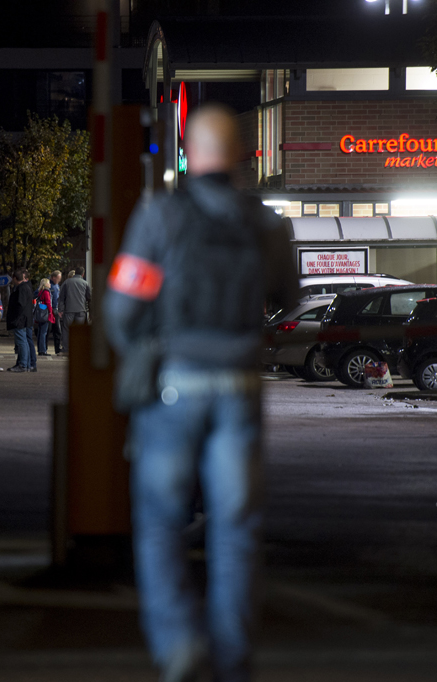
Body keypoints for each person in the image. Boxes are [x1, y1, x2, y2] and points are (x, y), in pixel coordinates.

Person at [104, 103, 297, 682]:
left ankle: (180, 644)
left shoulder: (159, 216)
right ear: (243, 157)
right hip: (240, 388)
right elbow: (288, 297)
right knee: (236, 527)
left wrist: (143, 350)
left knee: (161, 519)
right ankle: (234, 660)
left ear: (189, 154)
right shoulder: (267, 223)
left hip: (174, 387)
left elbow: (122, 307)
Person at [5, 268, 35, 372]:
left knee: (21, 342)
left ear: (14, 278)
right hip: (25, 319)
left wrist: (14, 316)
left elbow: (19, 304)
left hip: (19, 319)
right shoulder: (27, 287)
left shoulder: (20, 288)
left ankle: (22, 364)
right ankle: (24, 364)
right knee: (24, 342)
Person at [58, 267, 91, 352]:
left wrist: (61, 310)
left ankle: (66, 349)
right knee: (79, 331)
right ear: (82, 274)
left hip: (69, 310)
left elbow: (62, 298)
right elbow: (89, 299)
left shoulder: (66, 282)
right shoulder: (85, 283)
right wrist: (90, 312)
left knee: (66, 330)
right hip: (81, 311)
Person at [34, 278, 54, 356]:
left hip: (40, 313)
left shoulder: (40, 292)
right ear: (45, 284)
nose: (50, 284)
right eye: (48, 283)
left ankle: (40, 349)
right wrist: (50, 312)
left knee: (40, 332)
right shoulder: (46, 292)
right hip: (45, 313)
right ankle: (43, 350)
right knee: (43, 332)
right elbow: (48, 303)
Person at [49, 270, 64, 354]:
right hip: (51, 309)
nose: (59, 280)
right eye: (58, 278)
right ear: (53, 277)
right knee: (48, 330)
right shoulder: (48, 284)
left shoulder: (57, 285)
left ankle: (57, 348)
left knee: (58, 330)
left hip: (56, 309)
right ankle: (43, 349)